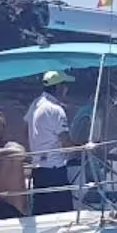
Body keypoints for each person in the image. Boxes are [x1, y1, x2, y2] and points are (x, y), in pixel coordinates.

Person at [24, 70, 75, 215]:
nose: (67, 89)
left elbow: (24, 130)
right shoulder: (56, 110)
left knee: (41, 214)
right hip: (55, 171)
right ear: (58, 87)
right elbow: (66, 143)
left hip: (38, 169)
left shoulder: (35, 104)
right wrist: (85, 148)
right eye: (65, 85)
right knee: (65, 216)